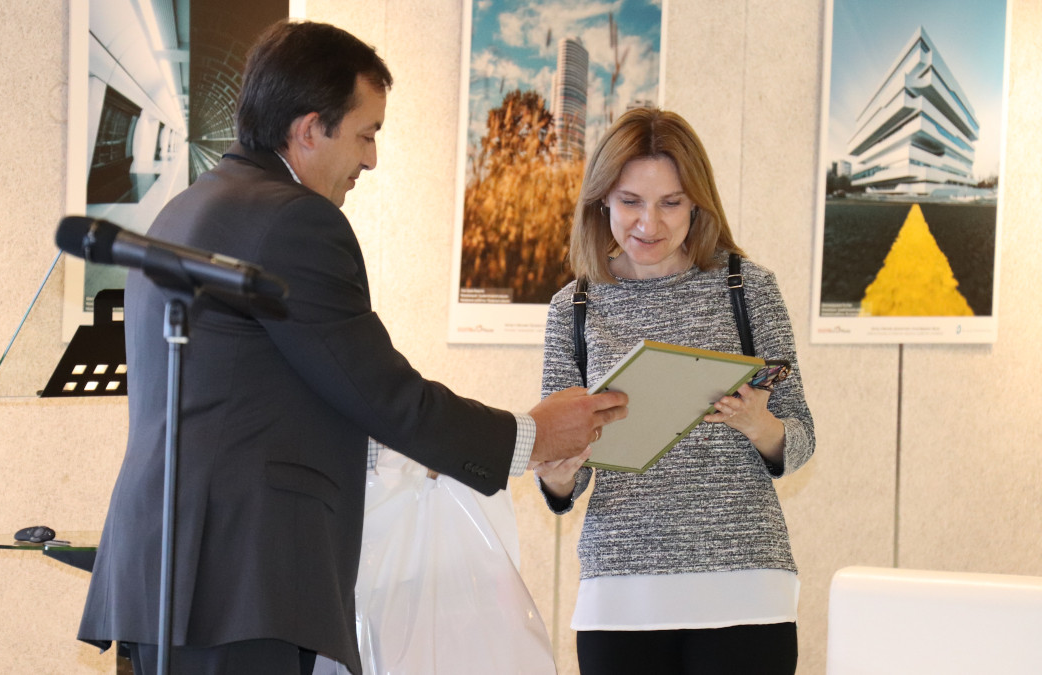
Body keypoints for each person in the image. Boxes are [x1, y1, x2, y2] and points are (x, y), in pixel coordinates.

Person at [76, 20, 627, 675]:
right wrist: (531, 436)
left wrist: (403, 458)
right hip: (239, 584)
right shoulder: (294, 220)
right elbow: (383, 393)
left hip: (167, 578)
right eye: (366, 134)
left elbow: (264, 391)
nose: (372, 159)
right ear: (311, 129)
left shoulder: (190, 207)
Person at [534, 107, 815, 675]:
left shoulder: (748, 287)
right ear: (602, 200)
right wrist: (557, 472)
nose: (649, 223)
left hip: (745, 584)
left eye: (670, 202)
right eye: (630, 201)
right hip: (621, 593)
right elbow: (563, 471)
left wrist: (759, 425)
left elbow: (801, 438)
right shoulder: (574, 306)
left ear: (697, 204)